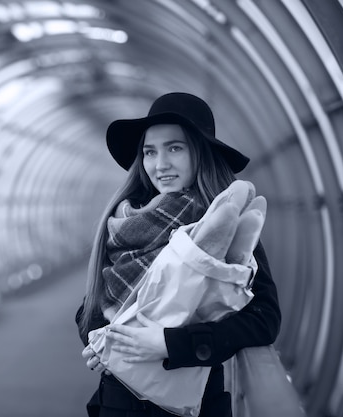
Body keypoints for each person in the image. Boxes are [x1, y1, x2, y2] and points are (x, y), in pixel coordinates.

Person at [75, 92, 281, 417]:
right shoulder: (127, 219)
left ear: (201, 153)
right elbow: (94, 304)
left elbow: (264, 319)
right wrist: (98, 342)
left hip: (188, 406)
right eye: (149, 152)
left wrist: (171, 344)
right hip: (118, 402)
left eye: (175, 148)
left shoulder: (225, 220)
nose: (161, 164)